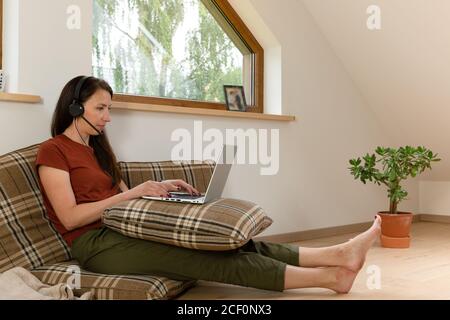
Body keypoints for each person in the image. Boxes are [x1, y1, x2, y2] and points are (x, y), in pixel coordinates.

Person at [36, 75, 382, 294]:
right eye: (100, 109)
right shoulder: (53, 151)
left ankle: (337, 253)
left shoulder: (98, 150)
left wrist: (160, 190)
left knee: (229, 243)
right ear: (75, 107)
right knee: (202, 259)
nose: (108, 117)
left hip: (124, 230)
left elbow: (125, 199)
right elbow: (69, 218)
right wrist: (133, 192)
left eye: (108, 108)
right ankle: (329, 278)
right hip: (95, 245)